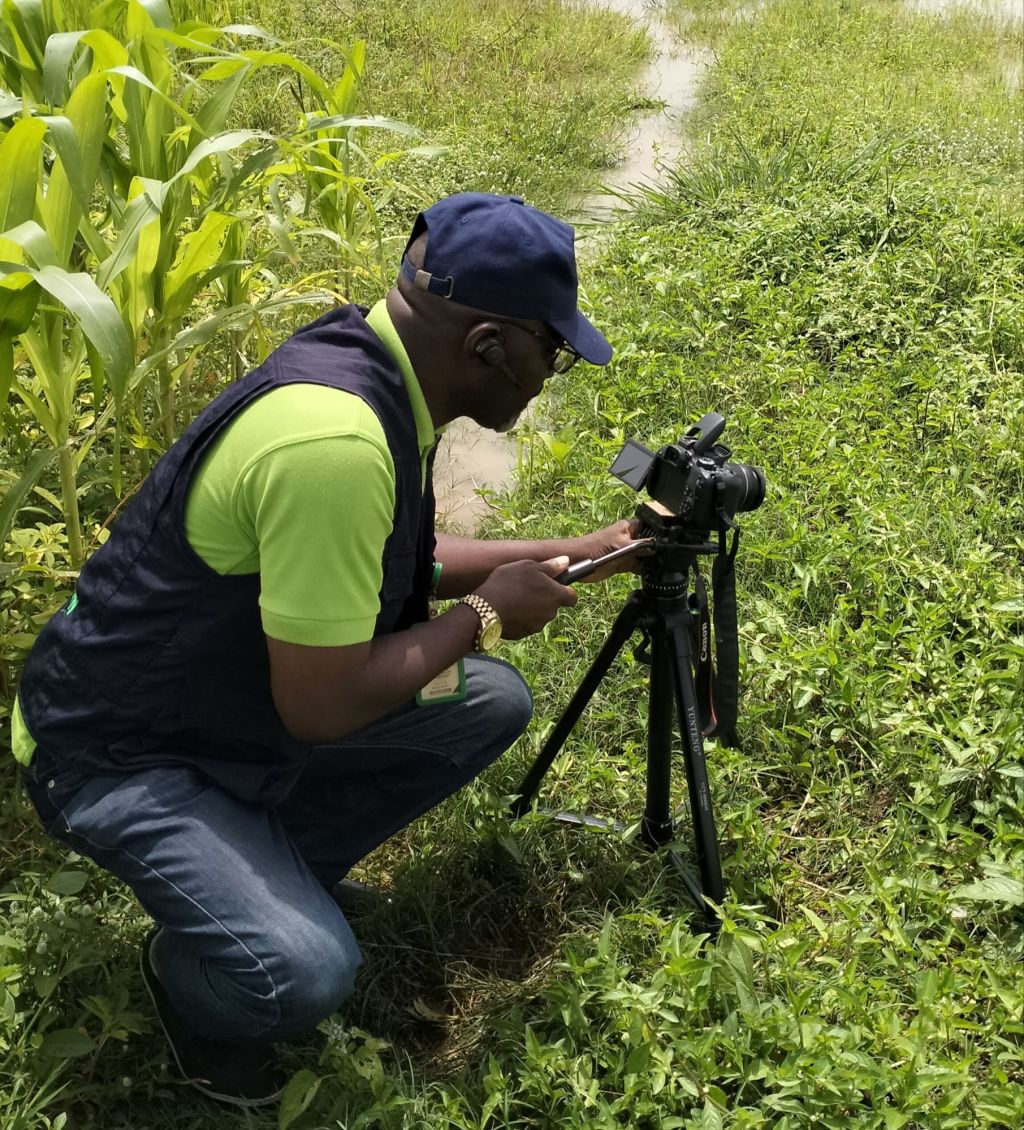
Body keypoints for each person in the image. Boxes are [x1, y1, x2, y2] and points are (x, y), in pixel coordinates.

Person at [12, 192, 644, 1107]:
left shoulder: (375, 368)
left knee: (485, 700)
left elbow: (406, 558)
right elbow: (322, 707)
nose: (550, 373)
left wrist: (584, 549)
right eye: (552, 350)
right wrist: (485, 616)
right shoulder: (337, 442)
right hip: (115, 750)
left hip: (221, 702)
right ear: (487, 346)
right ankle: (194, 979)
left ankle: (275, 870)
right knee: (302, 971)